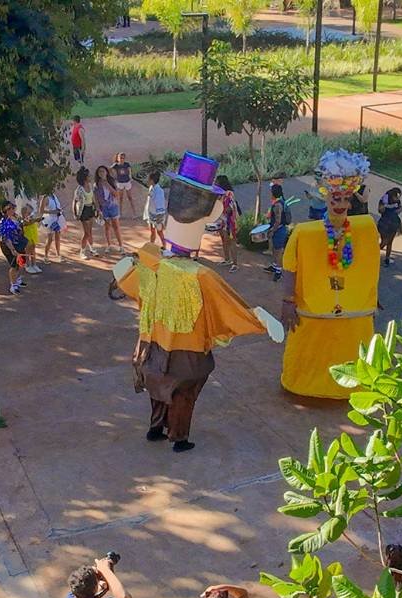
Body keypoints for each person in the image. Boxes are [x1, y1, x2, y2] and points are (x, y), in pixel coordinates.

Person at [113, 152, 283, 453]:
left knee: (158, 386)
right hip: (187, 353)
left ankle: (156, 427)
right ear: (208, 213)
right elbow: (229, 308)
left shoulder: (150, 262)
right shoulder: (201, 276)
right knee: (184, 392)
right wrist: (259, 319)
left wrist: (130, 263)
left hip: (152, 346)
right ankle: (178, 437)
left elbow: (124, 279)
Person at [280, 149, 380, 400]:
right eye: (336, 199)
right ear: (326, 198)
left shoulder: (365, 228)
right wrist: (288, 301)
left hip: (354, 308)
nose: (341, 204)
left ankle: (353, 385)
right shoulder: (304, 233)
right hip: (312, 308)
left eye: (346, 199)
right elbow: (290, 266)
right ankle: (304, 385)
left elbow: (370, 261)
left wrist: (371, 293)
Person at [0, 201, 28, 295]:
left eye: (13, 207)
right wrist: (12, 250)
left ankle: (18, 280)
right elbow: (6, 239)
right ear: (6, 211)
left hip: (17, 243)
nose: (13, 209)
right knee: (14, 265)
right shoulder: (3, 222)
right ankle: (13, 286)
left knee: (21, 262)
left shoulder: (14, 217)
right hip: (9, 246)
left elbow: (20, 226)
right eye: (10, 208)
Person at [95, 165, 124, 253]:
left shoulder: (112, 182)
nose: (101, 173)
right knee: (107, 227)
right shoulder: (96, 185)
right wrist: (98, 209)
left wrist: (107, 184)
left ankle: (121, 246)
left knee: (116, 226)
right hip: (104, 208)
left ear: (107, 172)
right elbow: (96, 198)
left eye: (103, 171)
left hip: (113, 206)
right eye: (100, 171)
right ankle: (109, 245)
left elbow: (116, 194)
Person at [73, 167, 100, 260]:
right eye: (89, 176)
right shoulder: (79, 190)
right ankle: (82, 252)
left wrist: (97, 209)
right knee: (86, 233)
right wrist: (75, 213)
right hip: (83, 211)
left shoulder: (90, 186)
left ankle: (92, 249)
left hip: (90, 209)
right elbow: (75, 201)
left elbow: (93, 198)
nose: (90, 177)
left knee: (90, 232)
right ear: (85, 178)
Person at [214, 175, 239, 272]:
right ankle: (227, 259)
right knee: (224, 240)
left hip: (229, 221)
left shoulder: (229, 193)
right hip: (222, 220)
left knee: (232, 242)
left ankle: (235, 264)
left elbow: (231, 207)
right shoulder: (219, 193)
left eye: (216, 182)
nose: (215, 183)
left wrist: (222, 210)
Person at [267, 184, 291, 281]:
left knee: (279, 251)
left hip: (279, 230)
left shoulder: (277, 205)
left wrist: (272, 230)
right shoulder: (280, 202)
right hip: (279, 229)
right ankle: (274, 266)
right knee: (275, 249)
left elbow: (278, 221)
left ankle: (279, 271)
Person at [377, 187, 402, 267]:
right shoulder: (384, 200)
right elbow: (380, 210)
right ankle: (374, 252)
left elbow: (399, 208)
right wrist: (384, 207)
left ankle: (387, 259)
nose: (398, 199)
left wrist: (399, 209)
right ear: (393, 195)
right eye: (397, 197)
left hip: (394, 223)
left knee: (390, 242)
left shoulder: (397, 201)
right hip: (385, 223)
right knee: (385, 241)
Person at [39, 191, 67, 263]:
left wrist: (60, 211)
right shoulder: (45, 198)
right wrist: (53, 212)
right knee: (50, 239)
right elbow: (41, 211)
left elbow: (57, 206)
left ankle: (58, 255)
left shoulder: (54, 196)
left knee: (58, 236)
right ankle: (46, 256)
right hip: (49, 220)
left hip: (57, 219)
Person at [143, 170, 167, 246]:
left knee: (159, 232)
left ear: (152, 180)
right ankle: (151, 245)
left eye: (148, 179)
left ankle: (164, 246)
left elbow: (160, 204)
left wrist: (159, 219)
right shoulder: (151, 188)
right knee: (152, 231)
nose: (147, 180)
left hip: (158, 216)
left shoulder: (159, 191)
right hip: (151, 214)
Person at [111, 152, 137, 218]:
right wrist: (114, 177)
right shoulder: (116, 165)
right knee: (120, 198)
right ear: (118, 158)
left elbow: (129, 170)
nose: (122, 159)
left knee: (130, 198)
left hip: (127, 182)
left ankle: (134, 213)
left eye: (123, 158)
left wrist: (130, 176)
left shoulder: (127, 164)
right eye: (120, 158)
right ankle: (120, 213)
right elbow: (110, 169)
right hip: (120, 183)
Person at [19, 204, 43, 275]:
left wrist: (36, 219)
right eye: (28, 213)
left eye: (31, 212)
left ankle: (34, 264)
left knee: (33, 249)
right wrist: (36, 220)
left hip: (33, 234)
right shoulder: (23, 220)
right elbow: (27, 223)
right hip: (27, 235)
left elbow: (32, 220)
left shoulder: (32, 218)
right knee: (28, 250)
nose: (31, 214)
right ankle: (27, 265)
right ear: (24, 213)